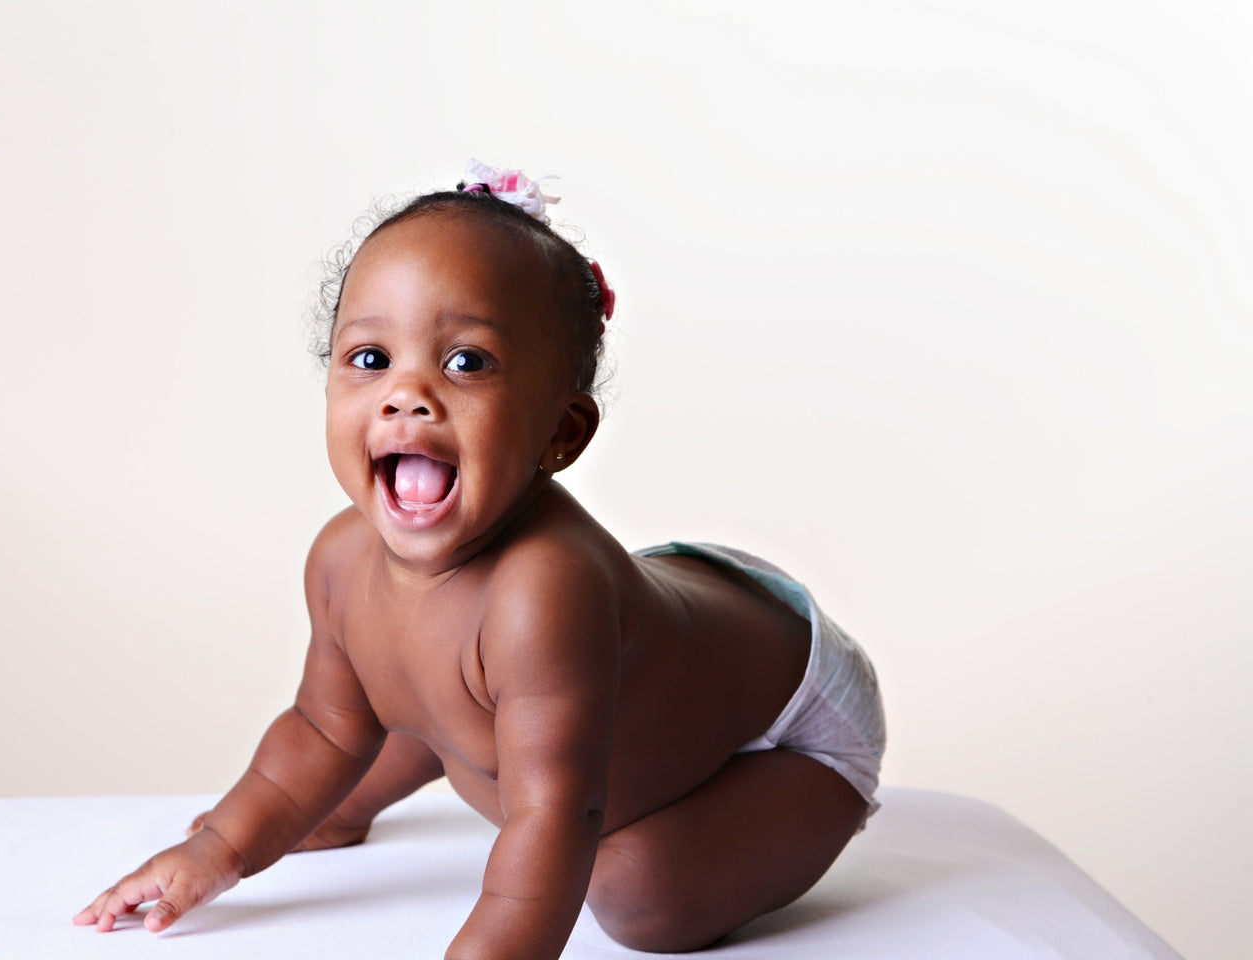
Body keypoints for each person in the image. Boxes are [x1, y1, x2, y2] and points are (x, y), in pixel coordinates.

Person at [73, 161, 885, 958]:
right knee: (390, 712)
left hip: (795, 713)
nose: (407, 394)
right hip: (643, 627)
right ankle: (364, 798)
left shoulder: (544, 590)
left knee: (639, 894)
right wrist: (216, 850)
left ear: (560, 434)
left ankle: (807, 798)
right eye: (369, 359)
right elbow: (323, 729)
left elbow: (553, 816)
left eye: (466, 363)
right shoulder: (340, 558)